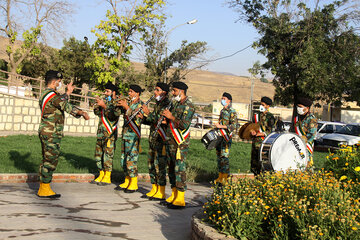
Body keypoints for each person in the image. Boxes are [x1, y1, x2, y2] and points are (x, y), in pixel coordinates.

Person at [37, 70, 89, 198]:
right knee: (50, 160)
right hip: (51, 133)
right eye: (59, 82)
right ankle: (44, 189)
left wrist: (68, 93)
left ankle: (43, 187)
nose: (60, 84)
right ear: (54, 82)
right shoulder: (51, 95)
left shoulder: (46, 94)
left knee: (46, 159)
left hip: (47, 131)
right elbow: (65, 105)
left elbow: (60, 100)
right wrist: (81, 113)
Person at [161, 81, 195, 209]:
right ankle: (174, 194)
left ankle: (180, 198)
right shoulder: (175, 104)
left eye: (175, 91)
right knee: (171, 168)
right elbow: (173, 121)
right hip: (170, 141)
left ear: (181, 91)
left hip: (180, 143)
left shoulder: (189, 106)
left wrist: (171, 117)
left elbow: (184, 125)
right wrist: (166, 120)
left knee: (179, 169)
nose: (173, 93)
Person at [140, 82, 171, 200]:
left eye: (157, 90)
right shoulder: (158, 103)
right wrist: (143, 118)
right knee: (151, 164)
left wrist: (148, 113)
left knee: (160, 165)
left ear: (164, 92)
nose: (155, 92)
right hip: (153, 137)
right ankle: (154, 188)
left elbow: (161, 119)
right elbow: (153, 121)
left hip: (161, 139)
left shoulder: (167, 104)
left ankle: (161, 190)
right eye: (155, 90)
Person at [114, 84, 144, 193]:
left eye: (131, 91)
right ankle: (127, 180)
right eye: (129, 91)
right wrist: (118, 105)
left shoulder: (140, 105)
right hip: (125, 135)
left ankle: (134, 183)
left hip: (133, 137)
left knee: (131, 159)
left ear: (137, 93)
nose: (129, 93)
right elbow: (117, 113)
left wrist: (126, 107)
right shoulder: (129, 103)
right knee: (124, 159)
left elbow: (137, 119)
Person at [90, 82, 119, 185]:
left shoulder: (117, 102)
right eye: (105, 91)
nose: (105, 93)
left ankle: (107, 176)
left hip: (110, 134)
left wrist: (105, 106)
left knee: (108, 155)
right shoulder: (105, 100)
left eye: (107, 91)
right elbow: (98, 113)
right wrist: (97, 106)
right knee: (98, 154)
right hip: (101, 132)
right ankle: (101, 173)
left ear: (113, 92)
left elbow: (114, 116)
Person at [213, 92, 237, 184]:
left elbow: (233, 126)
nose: (222, 100)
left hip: (226, 137)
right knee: (219, 157)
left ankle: (226, 178)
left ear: (229, 100)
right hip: (220, 137)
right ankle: (220, 176)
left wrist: (221, 127)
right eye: (222, 98)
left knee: (224, 158)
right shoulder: (222, 111)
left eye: (224, 99)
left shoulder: (232, 111)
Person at [250, 96, 275, 175]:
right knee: (254, 164)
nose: (261, 106)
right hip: (255, 142)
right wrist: (252, 131)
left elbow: (270, 131)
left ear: (268, 106)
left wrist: (260, 134)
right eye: (261, 104)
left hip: (264, 143)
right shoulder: (256, 115)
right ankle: (256, 178)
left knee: (263, 164)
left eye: (263, 105)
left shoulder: (270, 117)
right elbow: (251, 126)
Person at [291, 97, 318, 167]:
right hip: (295, 145)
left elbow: (312, 134)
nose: (298, 108)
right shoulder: (297, 118)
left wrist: (301, 140)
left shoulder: (312, 119)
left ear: (307, 108)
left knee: (306, 164)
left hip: (306, 146)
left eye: (300, 107)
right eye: (298, 107)